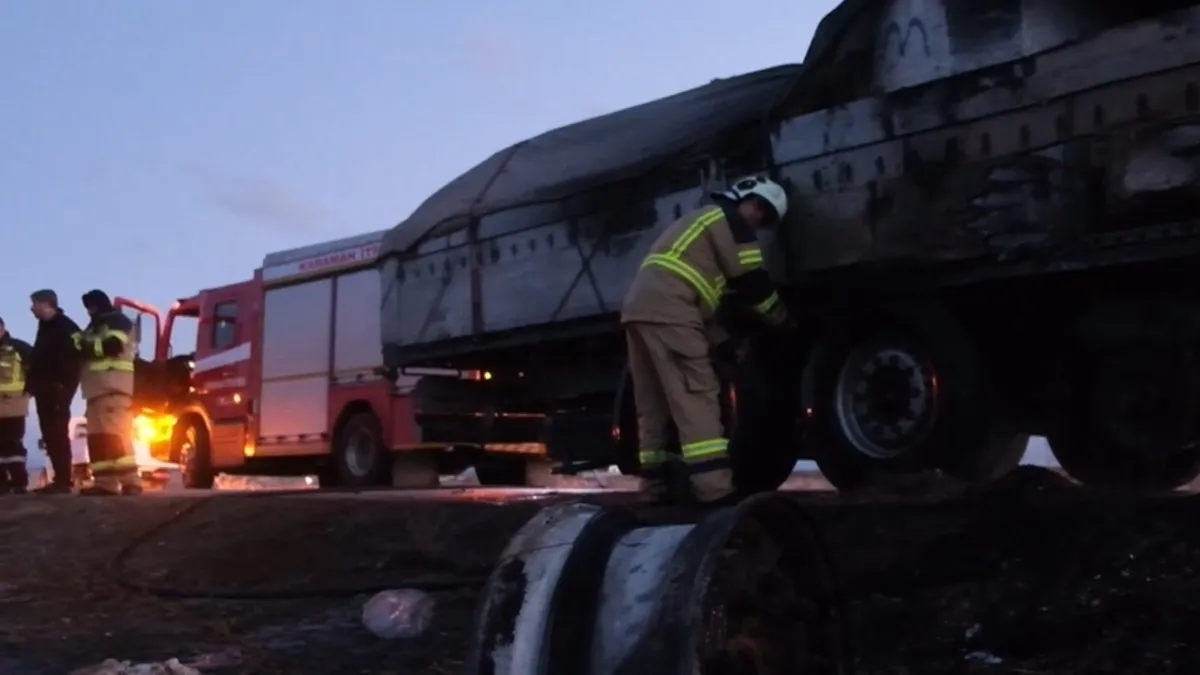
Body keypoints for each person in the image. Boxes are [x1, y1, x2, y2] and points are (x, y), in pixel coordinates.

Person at [621, 176, 793, 505]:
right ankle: (715, 490)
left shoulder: (701, 222)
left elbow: (700, 304)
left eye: (765, 218)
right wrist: (783, 320)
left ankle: (655, 487)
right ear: (744, 197)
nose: (758, 219)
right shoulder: (730, 220)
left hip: (640, 310)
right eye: (759, 208)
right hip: (671, 309)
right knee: (697, 396)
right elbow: (753, 284)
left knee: (653, 402)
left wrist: (723, 343)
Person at [77, 289, 142, 496]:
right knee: (98, 438)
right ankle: (105, 482)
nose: (89, 311)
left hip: (113, 388)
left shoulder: (118, 321)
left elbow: (113, 345)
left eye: (91, 307)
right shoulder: (93, 327)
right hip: (95, 390)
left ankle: (131, 481)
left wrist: (85, 347)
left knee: (117, 435)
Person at [27, 289, 83, 493]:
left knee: (57, 432)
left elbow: (75, 358)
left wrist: (62, 385)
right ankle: (59, 478)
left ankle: (63, 481)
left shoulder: (66, 327)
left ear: (45, 304)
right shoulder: (45, 327)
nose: (31, 308)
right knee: (49, 434)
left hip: (58, 389)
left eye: (34, 303)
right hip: (44, 390)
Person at [0, 318, 33, 494]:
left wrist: (30, 391)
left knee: (13, 443)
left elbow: (36, 368)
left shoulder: (18, 347)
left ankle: (19, 482)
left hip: (14, 404)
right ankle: (2, 484)